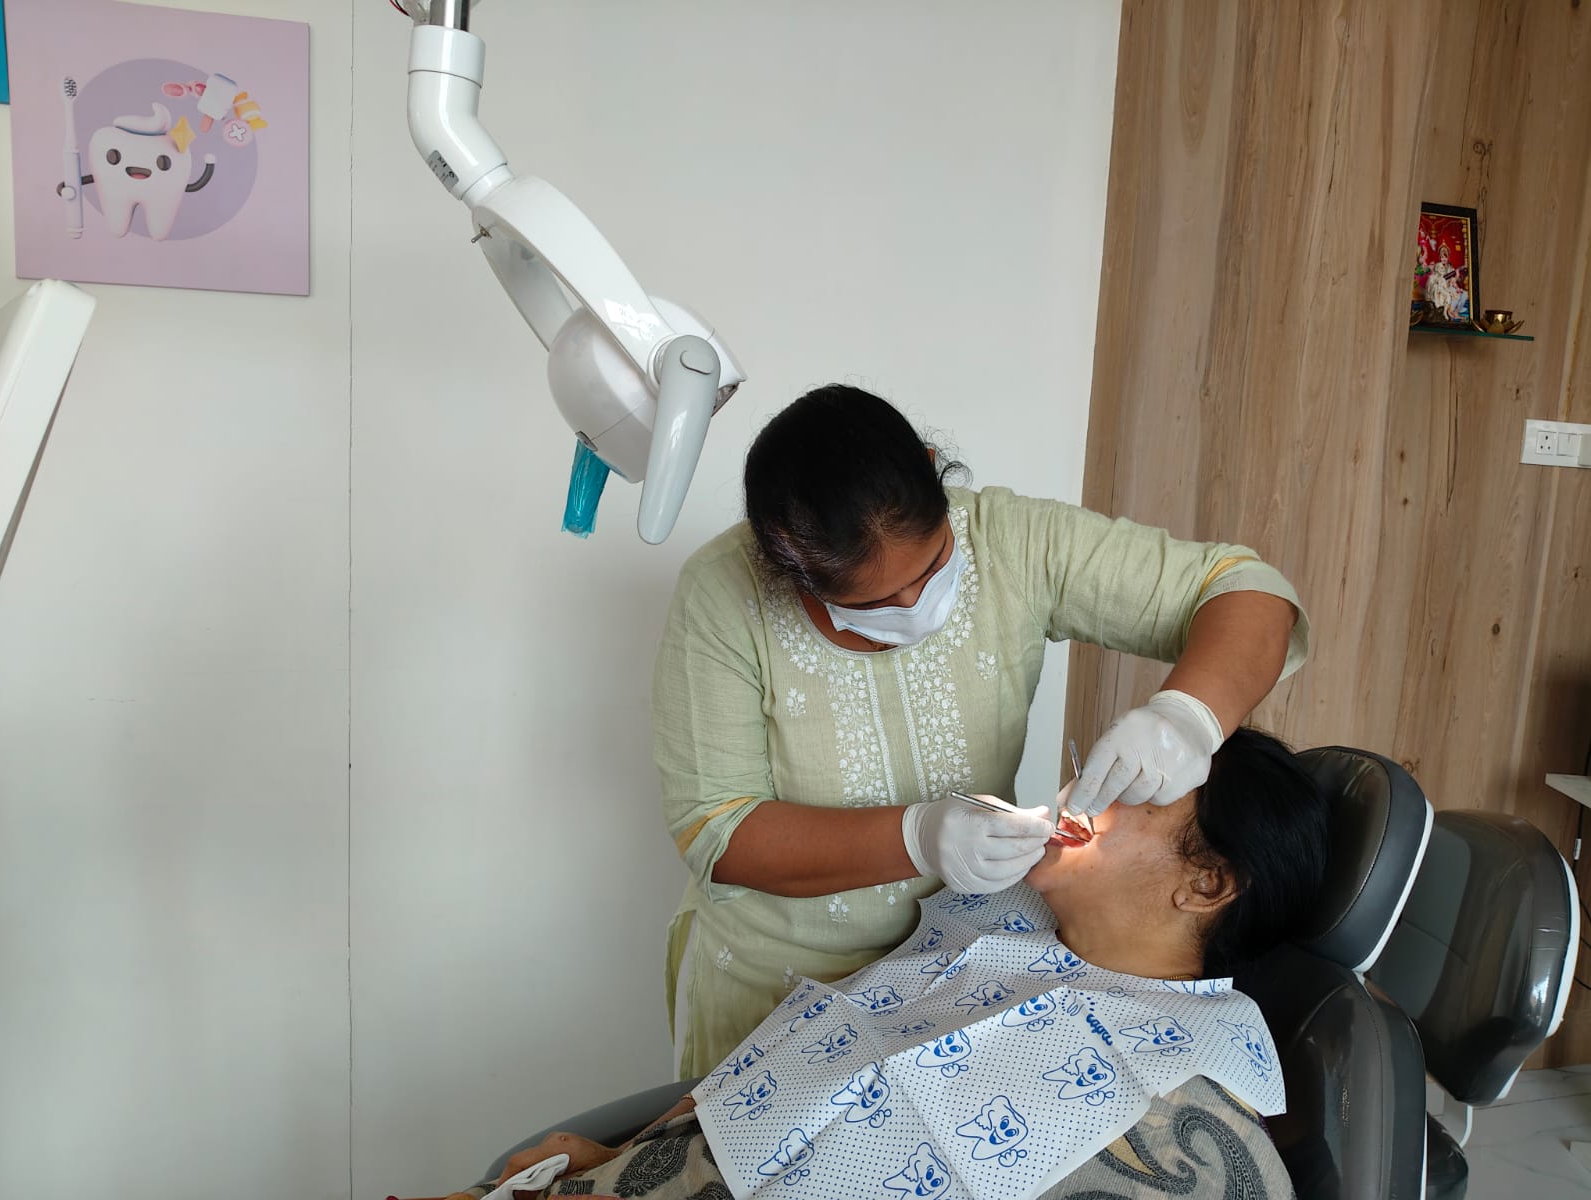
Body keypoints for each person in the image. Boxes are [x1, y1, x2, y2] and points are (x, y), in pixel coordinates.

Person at [654, 386, 1309, 1075]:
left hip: (960, 965)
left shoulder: (1009, 543)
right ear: (787, 572)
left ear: (933, 469)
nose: (913, 606)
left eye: (932, 567)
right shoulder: (722, 596)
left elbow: (1249, 590)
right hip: (778, 1000)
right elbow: (718, 831)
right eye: (873, 602)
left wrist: (1189, 713)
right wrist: (915, 837)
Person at [437, 726, 1328, 1200]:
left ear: (1208, 882)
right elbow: (797, 1056)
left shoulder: (1188, 1106)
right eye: (1095, 769)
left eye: (1133, 793)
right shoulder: (990, 921)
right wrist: (624, 1147)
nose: (1077, 794)